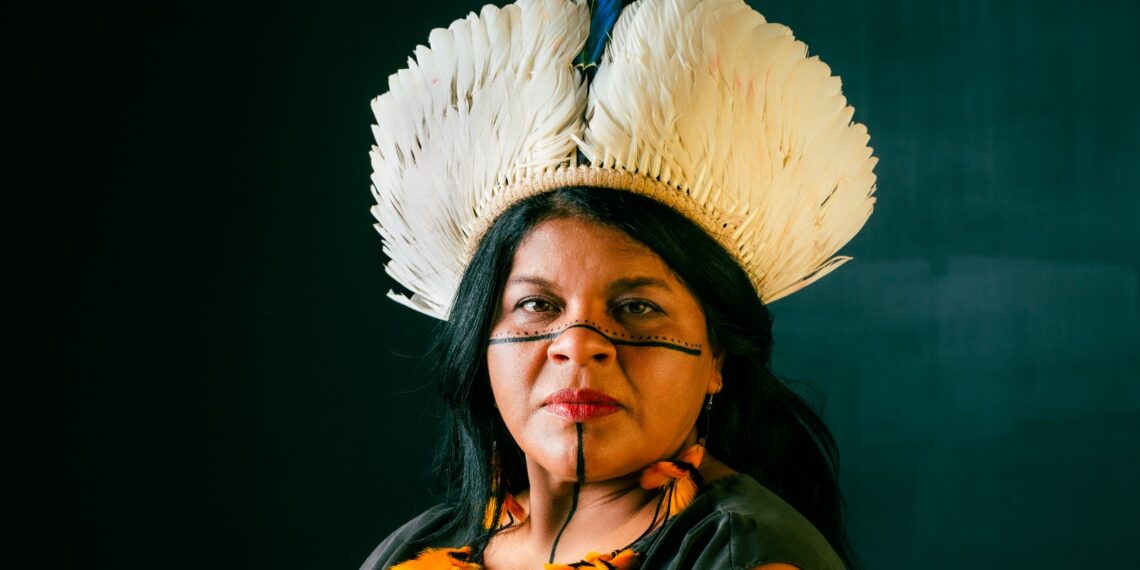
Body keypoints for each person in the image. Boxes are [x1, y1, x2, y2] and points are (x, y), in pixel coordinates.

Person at [362, 0, 877, 568]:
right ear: (479, 342)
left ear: (717, 357)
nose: (578, 344)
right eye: (536, 304)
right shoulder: (414, 549)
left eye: (636, 307)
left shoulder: (743, 554)